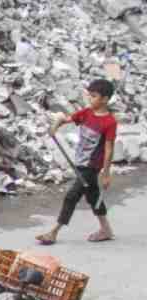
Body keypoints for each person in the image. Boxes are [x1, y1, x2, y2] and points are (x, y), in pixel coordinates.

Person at [37, 78, 118, 246]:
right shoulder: (86, 113)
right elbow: (66, 119)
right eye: (89, 95)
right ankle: (106, 230)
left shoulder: (109, 122)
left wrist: (106, 173)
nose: (89, 98)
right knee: (93, 196)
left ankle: (53, 233)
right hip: (80, 162)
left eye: (94, 96)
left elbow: (109, 149)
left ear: (105, 99)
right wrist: (55, 126)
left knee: (72, 196)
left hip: (91, 166)